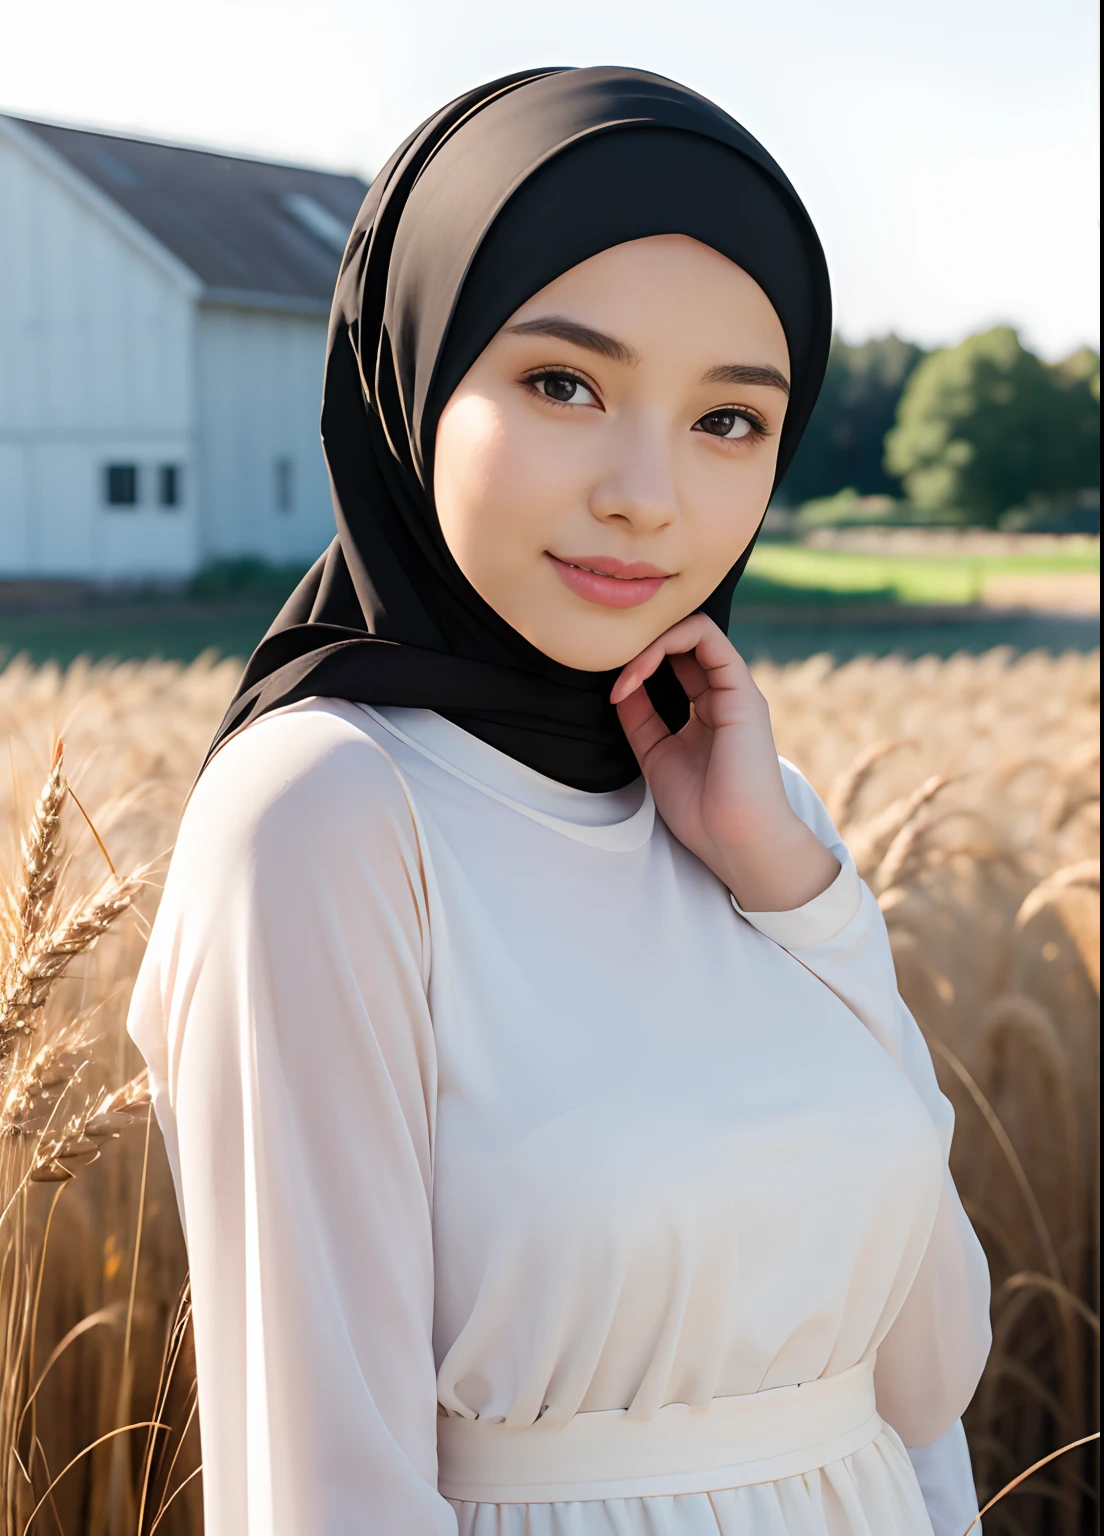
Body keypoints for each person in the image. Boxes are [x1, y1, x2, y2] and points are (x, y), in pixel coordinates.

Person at [126, 65, 991, 1536]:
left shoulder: (754, 813)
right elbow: (324, 1494)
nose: (649, 494)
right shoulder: (322, 820)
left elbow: (930, 1365)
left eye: (731, 420)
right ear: (410, 372)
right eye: (564, 384)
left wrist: (806, 899)